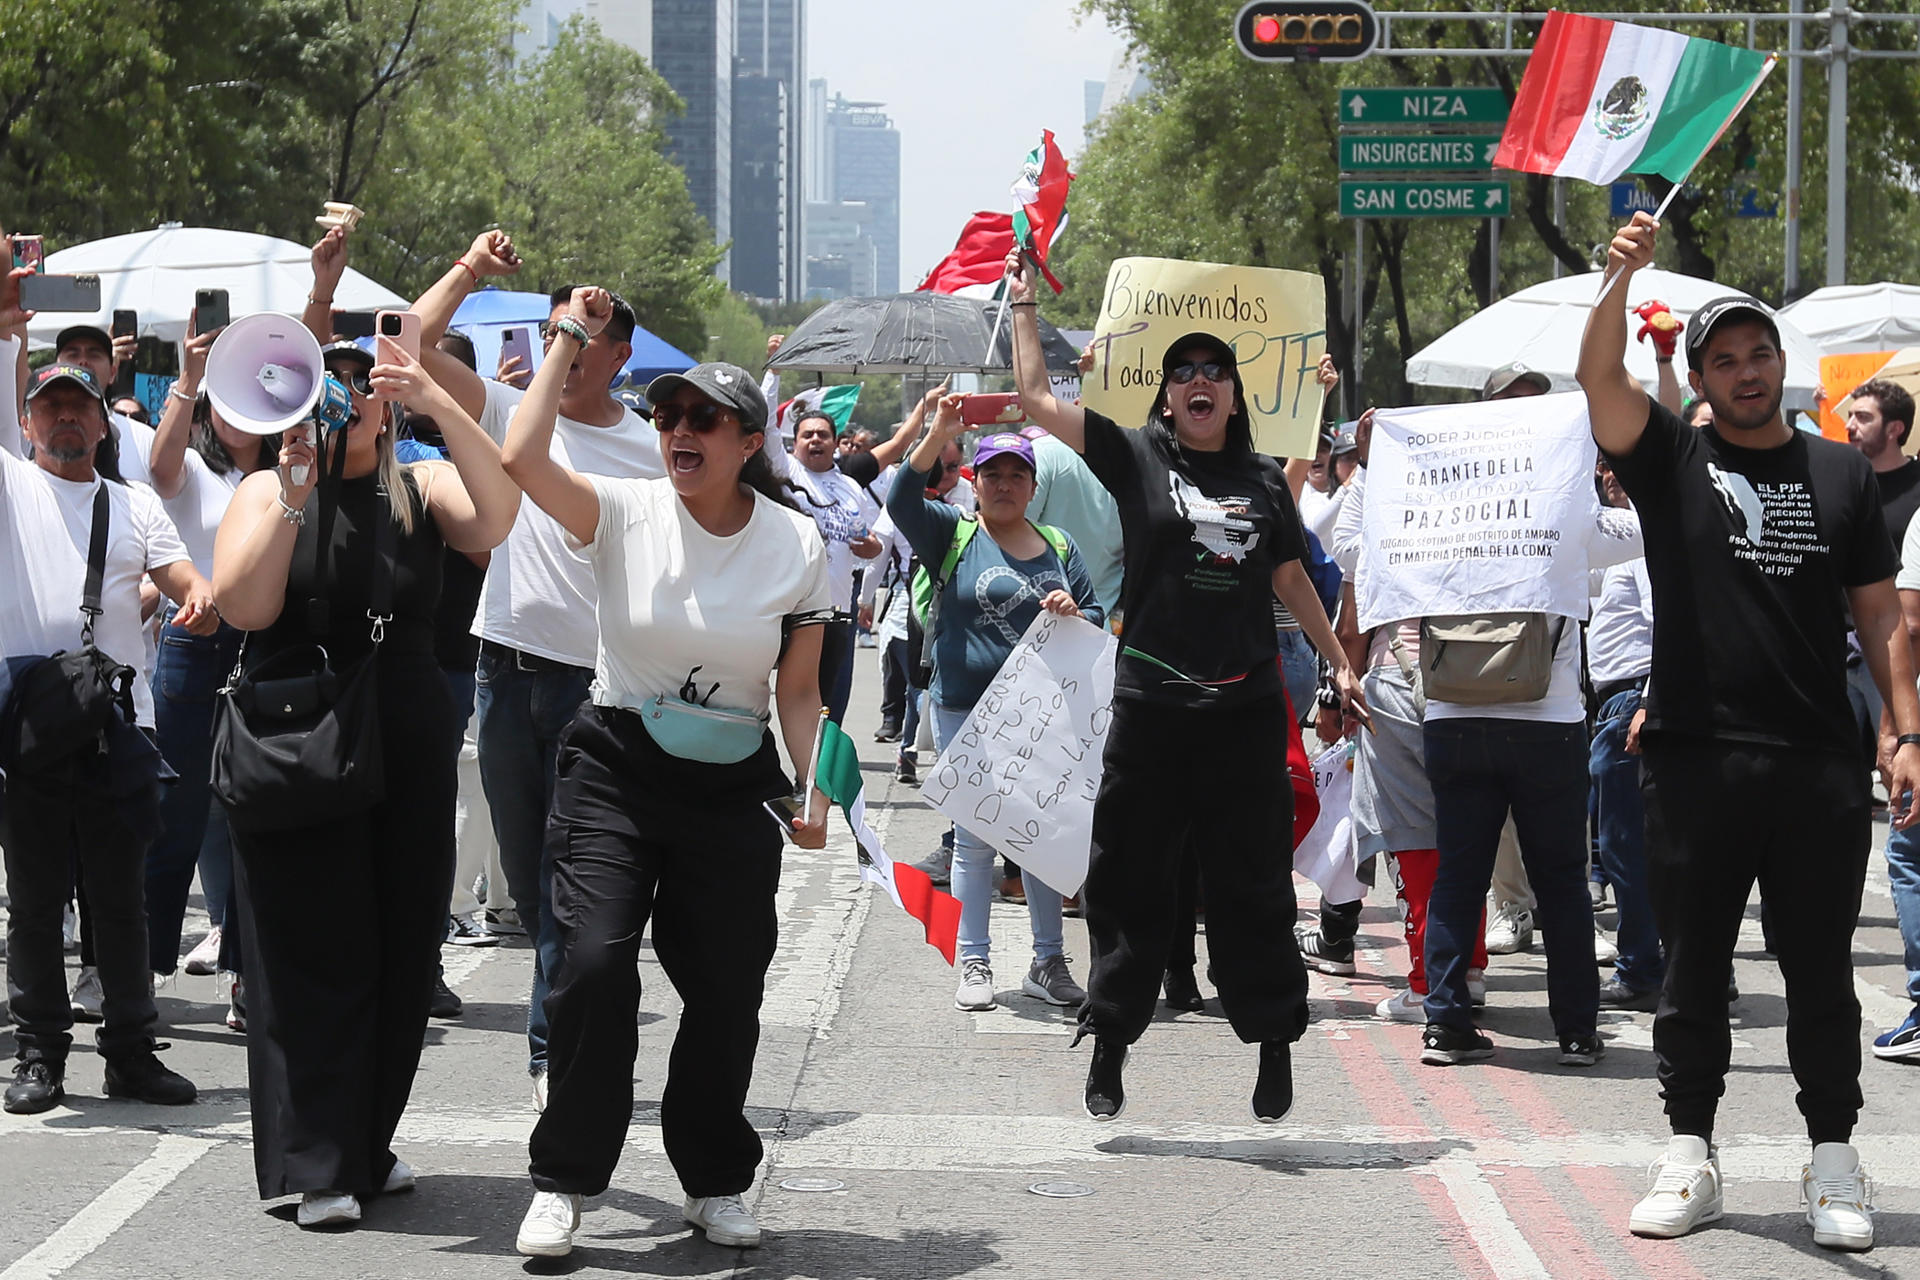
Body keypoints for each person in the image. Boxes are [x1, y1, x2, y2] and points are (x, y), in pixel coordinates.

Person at [1579, 212, 1920, 1252]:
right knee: (1691, 969)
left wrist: (1902, 732)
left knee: (1819, 971)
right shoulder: (1668, 457)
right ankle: (1690, 1152)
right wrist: (1617, 278)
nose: (1745, 371)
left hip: (1817, 761)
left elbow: (1879, 614)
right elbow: (1597, 381)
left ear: (1781, 363)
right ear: (1700, 375)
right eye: (1723, 358)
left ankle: (1831, 1158)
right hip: (1690, 755)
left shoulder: (1844, 475)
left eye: (1758, 353)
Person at [500, 290, 831, 1260]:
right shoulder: (622, 507)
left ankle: (715, 1177)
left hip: (730, 779)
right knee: (595, 965)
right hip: (615, 763)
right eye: (668, 415)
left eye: (703, 419)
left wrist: (812, 794)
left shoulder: (797, 542)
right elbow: (520, 461)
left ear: (747, 441)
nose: (678, 429)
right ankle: (563, 1178)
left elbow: (800, 694)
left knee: (727, 988)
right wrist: (566, 339)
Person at [1006, 250, 1366, 1125]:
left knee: (1252, 885)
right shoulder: (1132, 456)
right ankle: (1113, 1037)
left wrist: (1339, 659)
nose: (1199, 382)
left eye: (1216, 372)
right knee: (1129, 880)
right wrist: (1022, 308)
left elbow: (1287, 579)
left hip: (1242, 712)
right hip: (1152, 710)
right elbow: (1034, 403)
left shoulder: (1260, 482)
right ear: (1165, 397)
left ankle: (1274, 1038)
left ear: (1235, 397)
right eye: (1184, 373)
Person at [212, 335, 520, 1227]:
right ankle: (314, 1163)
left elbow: (498, 515)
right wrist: (296, 496)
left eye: (362, 382)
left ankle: (363, 1143)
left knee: (398, 943)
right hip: (299, 733)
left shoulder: (421, 489)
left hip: (405, 733)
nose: (347, 395)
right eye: (330, 382)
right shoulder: (265, 490)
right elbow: (244, 607)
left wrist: (436, 395)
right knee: (311, 947)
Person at [404, 229, 663, 1104]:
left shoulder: (654, 447)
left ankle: (562, 1061)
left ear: (619, 356)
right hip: (505, 674)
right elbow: (410, 344)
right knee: (530, 882)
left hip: (598, 687)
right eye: (557, 332)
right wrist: (471, 267)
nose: (568, 346)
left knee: (584, 884)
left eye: (587, 336)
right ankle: (573, 1046)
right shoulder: (514, 412)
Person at [1, 360, 213, 1116]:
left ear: (102, 423)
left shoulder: (134, 505)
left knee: (123, 901)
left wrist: (200, 599)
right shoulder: (11, 486)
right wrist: (7, 322)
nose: (64, 417)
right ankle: (40, 1054)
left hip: (120, 728)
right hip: (35, 727)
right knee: (34, 901)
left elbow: (184, 575)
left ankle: (130, 1051)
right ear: (25, 424)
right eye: (48, 406)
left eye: (78, 406)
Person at [889, 410, 1105, 1012]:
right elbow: (903, 494)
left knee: (1040, 843)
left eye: (1018, 474)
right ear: (974, 482)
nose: (1005, 484)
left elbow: (1097, 615)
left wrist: (1073, 610)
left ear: (1033, 487)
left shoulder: (1059, 547)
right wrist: (935, 432)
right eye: (993, 474)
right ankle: (975, 958)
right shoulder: (949, 533)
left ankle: (1048, 960)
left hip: (1044, 721)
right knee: (975, 843)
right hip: (966, 711)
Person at [142, 312, 274, 982]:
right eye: (226, 399)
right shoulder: (191, 466)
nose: (239, 414)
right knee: (178, 810)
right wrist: (189, 380)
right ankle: (143, 972)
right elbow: (158, 466)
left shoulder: (291, 474)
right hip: (194, 648)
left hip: (270, 650)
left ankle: (248, 973)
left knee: (259, 813)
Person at [1586, 458, 1662, 1011]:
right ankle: (1688, 964)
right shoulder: (1627, 531)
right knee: (1650, 844)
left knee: (1625, 844)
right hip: (1623, 699)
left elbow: (1668, 623)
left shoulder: (1643, 530)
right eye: (1603, 463)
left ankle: (1640, 968)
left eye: (1622, 463)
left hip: (1634, 700)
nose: (1610, 472)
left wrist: (1649, 703)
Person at [761, 407, 883, 724]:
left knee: (826, 706)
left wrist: (872, 548)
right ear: (795, 442)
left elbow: (866, 545)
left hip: (836, 612)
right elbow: (766, 426)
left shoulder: (851, 489)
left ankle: (816, 771)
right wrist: (774, 370)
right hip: (789, 610)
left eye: (823, 434)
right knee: (769, 696)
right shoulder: (785, 471)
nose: (815, 439)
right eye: (807, 434)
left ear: (834, 442)